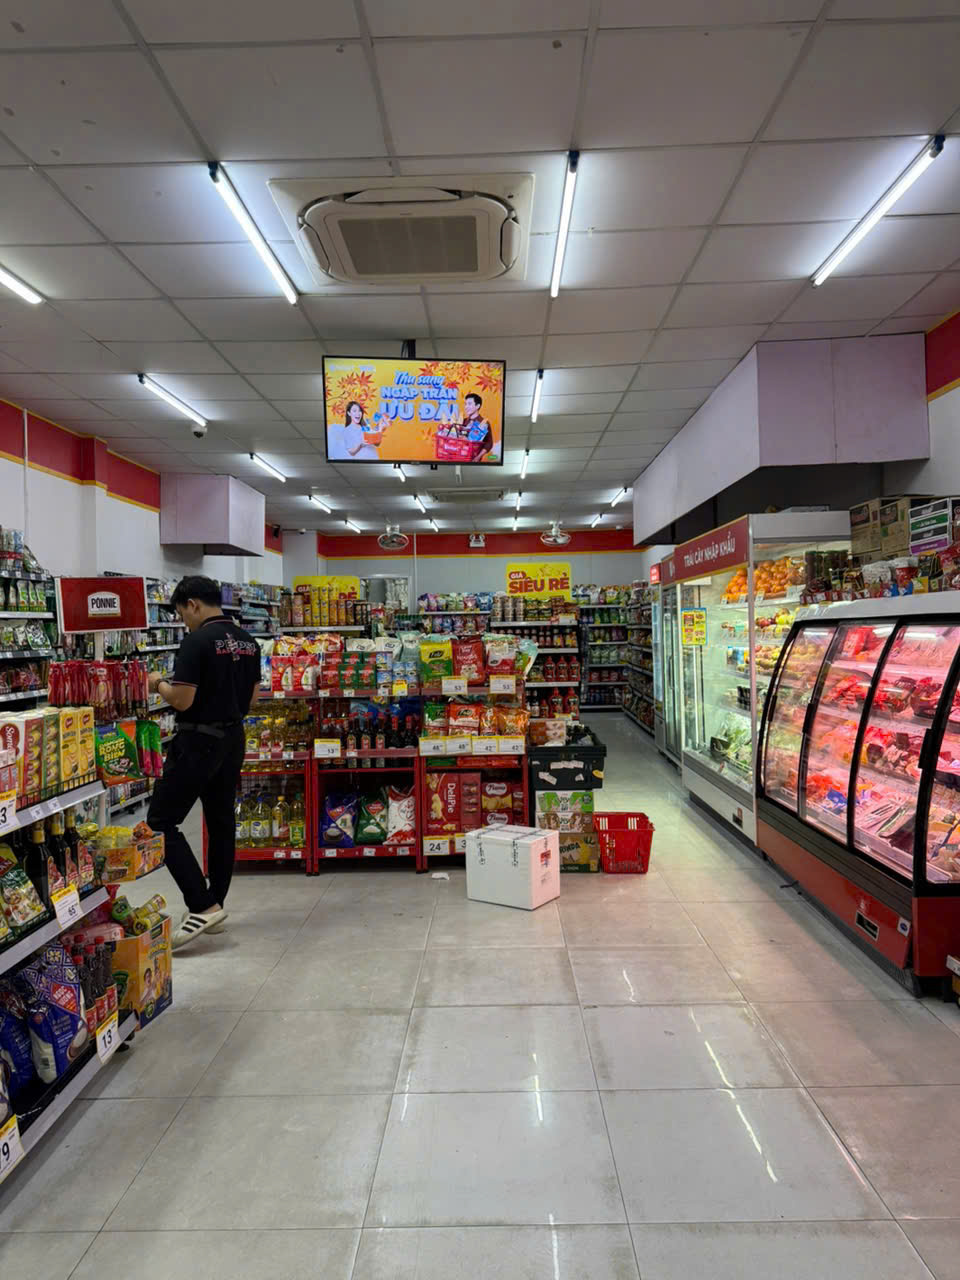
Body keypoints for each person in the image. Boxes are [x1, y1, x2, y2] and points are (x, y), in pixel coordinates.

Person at [146, 576, 261, 950]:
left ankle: (202, 903)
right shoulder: (247, 641)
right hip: (233, 738)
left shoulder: (196, 642)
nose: (184, 622)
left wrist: (157, 684)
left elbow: (182, 700)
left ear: (193, 604)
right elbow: (253, 700)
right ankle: (217, 903)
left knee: (159, 823)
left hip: (198, 740)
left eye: (182, 614)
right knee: (221, 820)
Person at [460, 392, 498, 461]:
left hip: (473, 460)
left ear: (477, 406)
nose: (466, 407)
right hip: (459, 457)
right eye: (465, 404)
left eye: (469, 404)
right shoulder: (463, 421)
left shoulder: (483, 423)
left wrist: (478, 457)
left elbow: (489, 443)